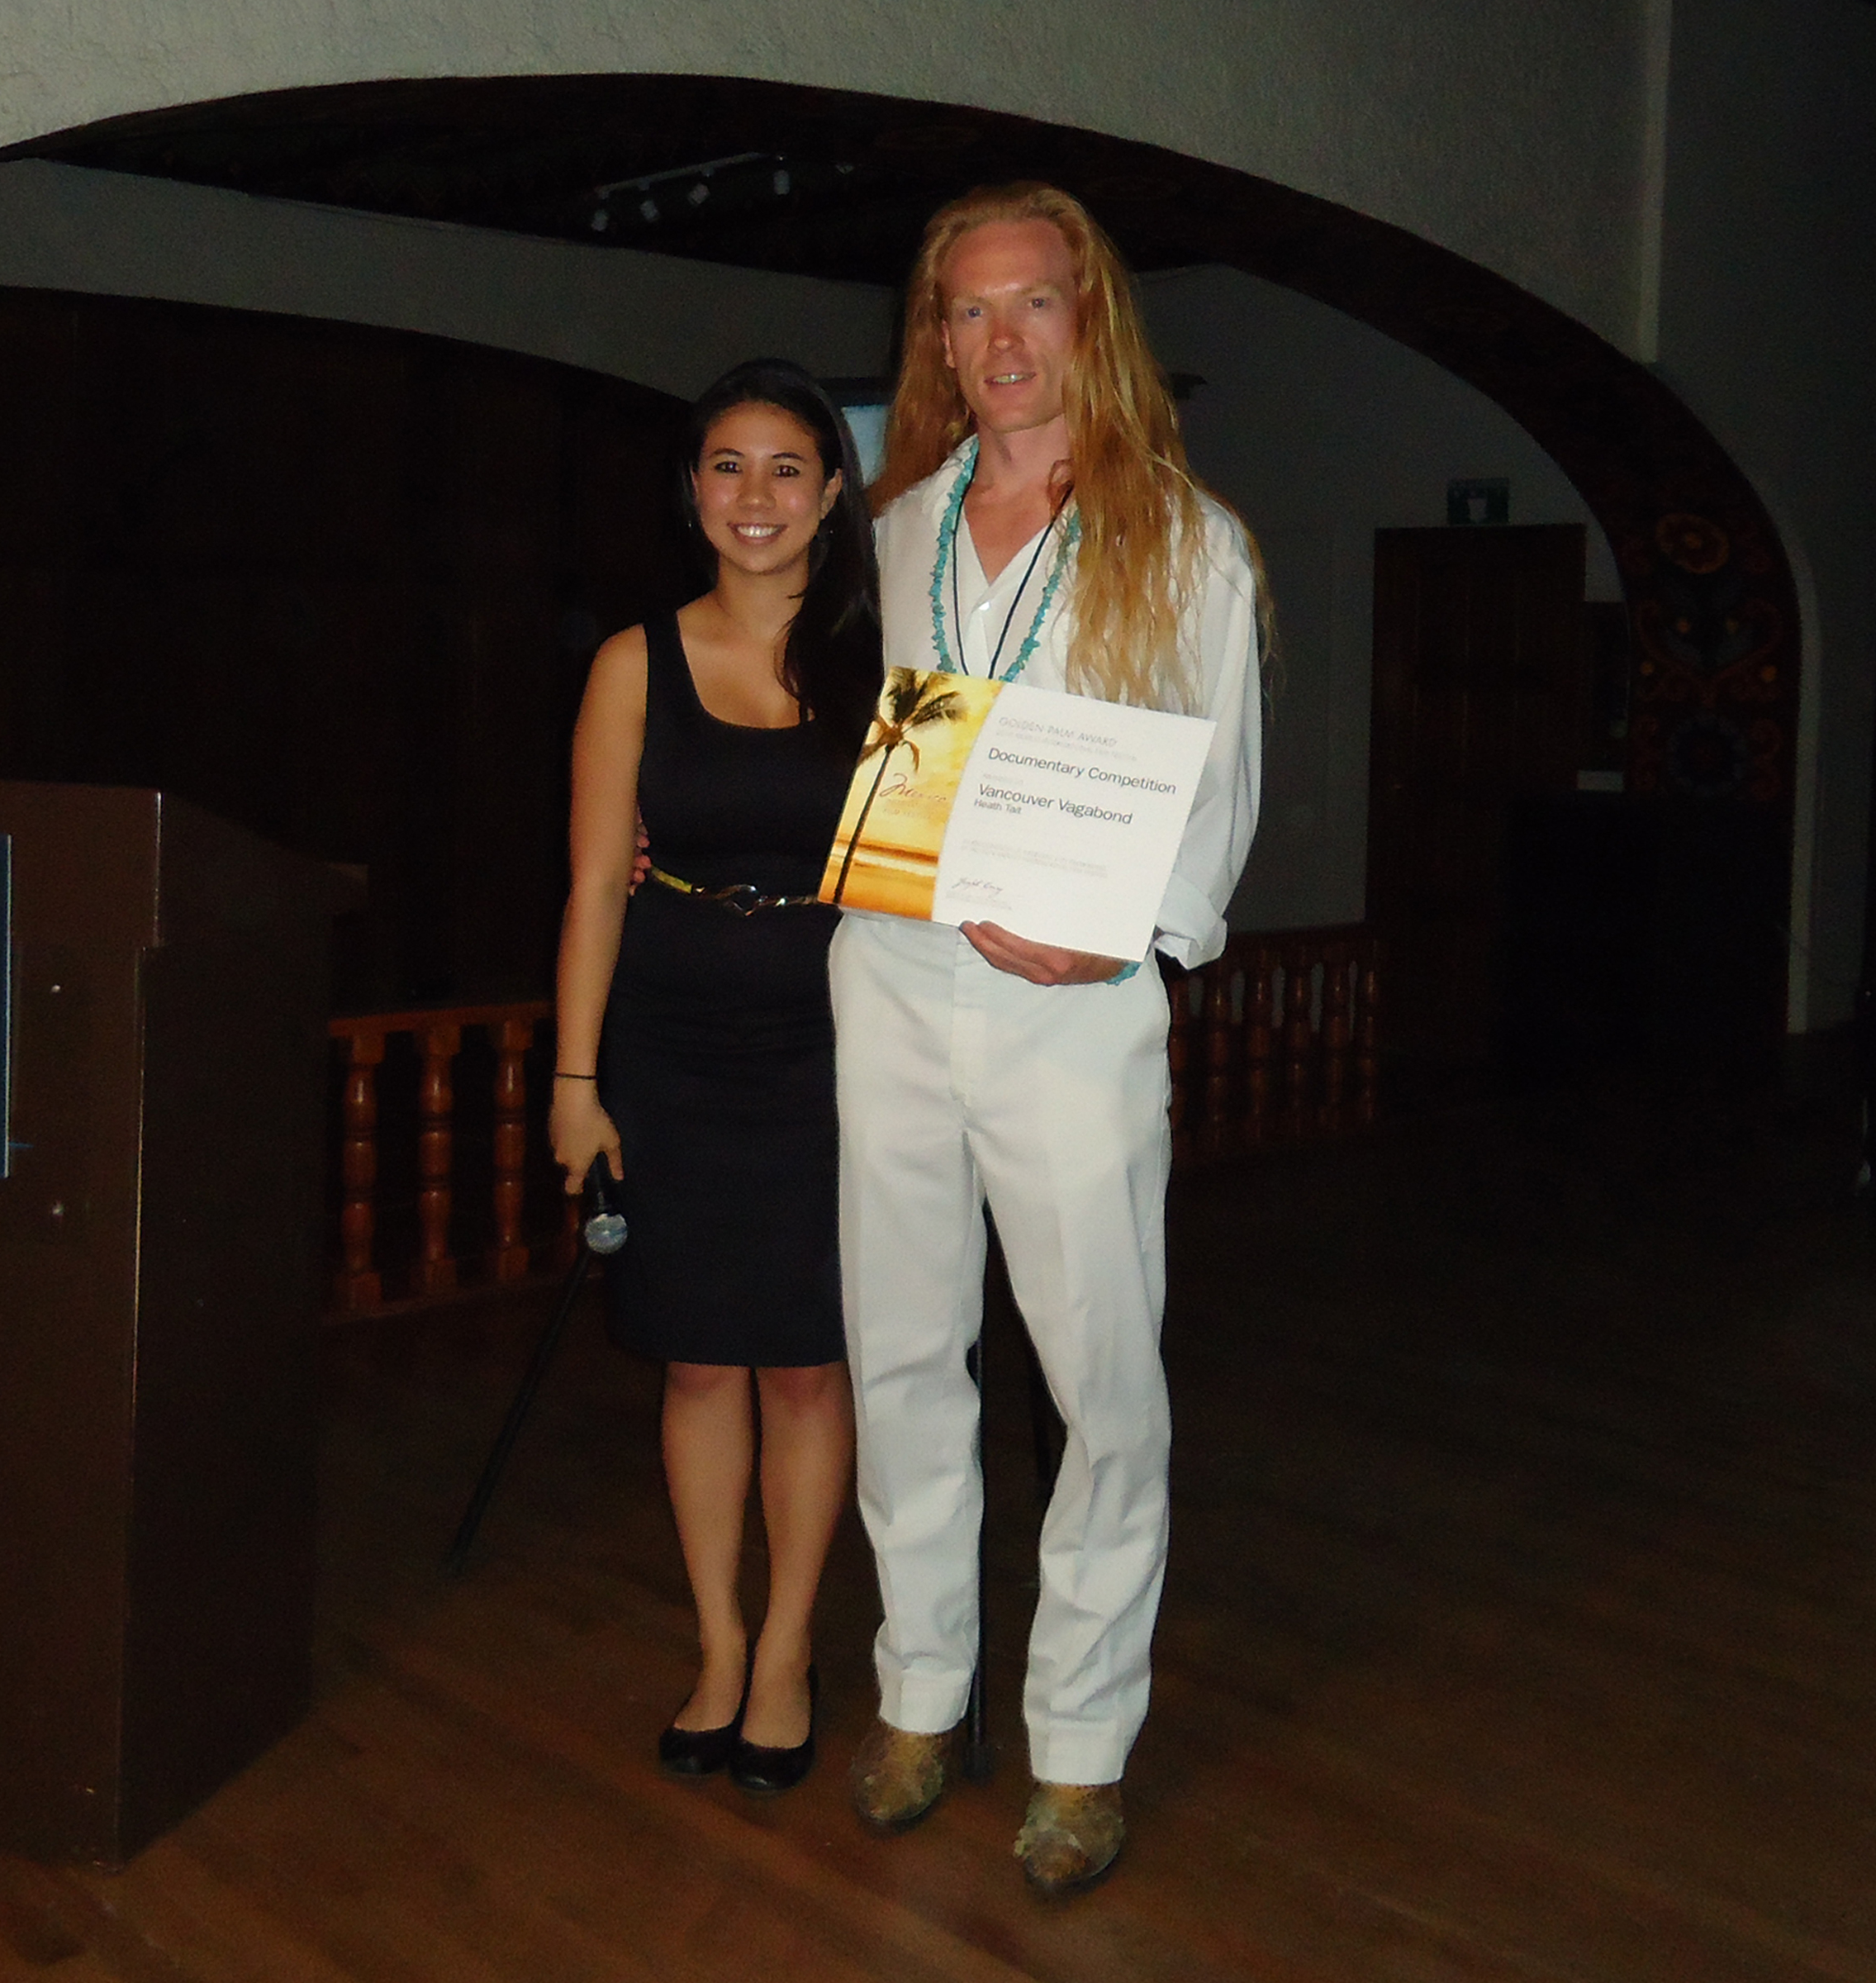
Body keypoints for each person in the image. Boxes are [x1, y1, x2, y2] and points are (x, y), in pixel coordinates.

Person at [833, 184, 1264, 1890]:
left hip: (1071, 1008)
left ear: (1091, 318)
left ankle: (1081, 1744)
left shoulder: (1183, 531)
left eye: (1032, 305)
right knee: (899, 1349)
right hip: (891, 976)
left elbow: (1212, 785)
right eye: (966, 312)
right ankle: (923, 1690)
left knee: (1101, 1383)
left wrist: (1124, 941)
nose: (999, 343)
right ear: (934, 338)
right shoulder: (899, 520)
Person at [550, 359, 880, 1795]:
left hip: (840, 1046)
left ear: (832, 493)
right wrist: (576, 1077)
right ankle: (719, 1646)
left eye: (788, 468)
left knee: (808, 1362)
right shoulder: (633, 661)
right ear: (692, 491)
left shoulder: (888, 664)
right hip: (671, 1046)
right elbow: (591, 890)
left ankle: (795, 1651)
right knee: (695, 1357)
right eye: (729, 468)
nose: (757, 497)